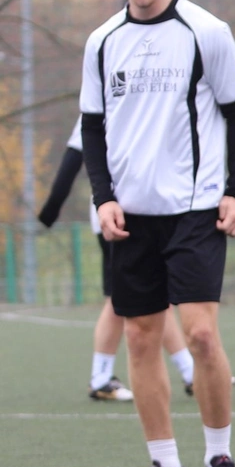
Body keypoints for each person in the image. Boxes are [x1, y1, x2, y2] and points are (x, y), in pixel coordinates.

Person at [80, 0, 235, 467]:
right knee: (139, 338)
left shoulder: (207, 32)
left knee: (201, 335)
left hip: (196, 209)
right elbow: (92, 128)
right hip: (131, 216)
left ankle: (220, 460)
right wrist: (104, 198)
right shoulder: (102, 42)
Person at [39, 118, 196, 402]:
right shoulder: (103, 101)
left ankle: (190, 372)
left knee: (149, 296)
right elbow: (74, 158)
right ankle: (103, 378)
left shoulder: (161, 100)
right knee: (126, 298)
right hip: (117, 218)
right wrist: (50, 211)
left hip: (154, 211)